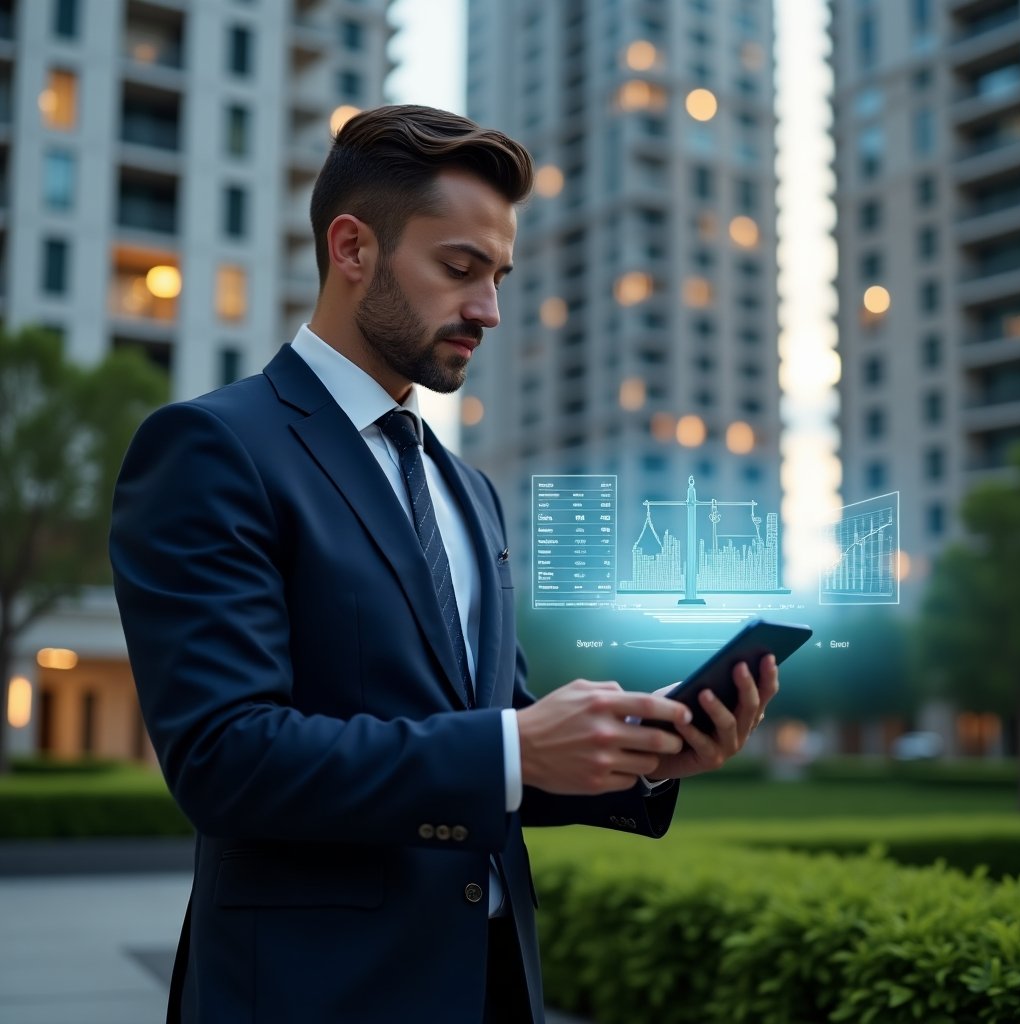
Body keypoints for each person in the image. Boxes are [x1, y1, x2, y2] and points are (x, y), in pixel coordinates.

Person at [110, 104, 778, 1024]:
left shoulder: (468, 490)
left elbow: (493, 751)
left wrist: (640, 759)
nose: (489, 310)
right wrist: (513, 744)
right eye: (460, 269)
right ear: (353, 249)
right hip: (312, 995)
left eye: (498, 275)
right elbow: (226, 758)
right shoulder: (212, 447)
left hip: (493, 986)